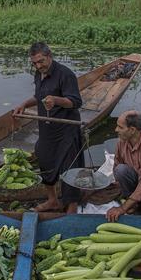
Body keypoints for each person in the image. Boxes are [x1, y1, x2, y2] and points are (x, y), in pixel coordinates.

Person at [13, 42, 84, 212]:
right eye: (34, 63)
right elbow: (39, 97)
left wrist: (57, 100)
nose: (38, 66)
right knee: (44, 159)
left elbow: (75, 102)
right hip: (47, 129)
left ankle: (71, 206)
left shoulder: (65, 74)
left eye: (41, 61)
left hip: (66, 129)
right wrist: (23, 105)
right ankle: (52, 200)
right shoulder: (39, 74)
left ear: (49, 56)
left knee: (70, 168)